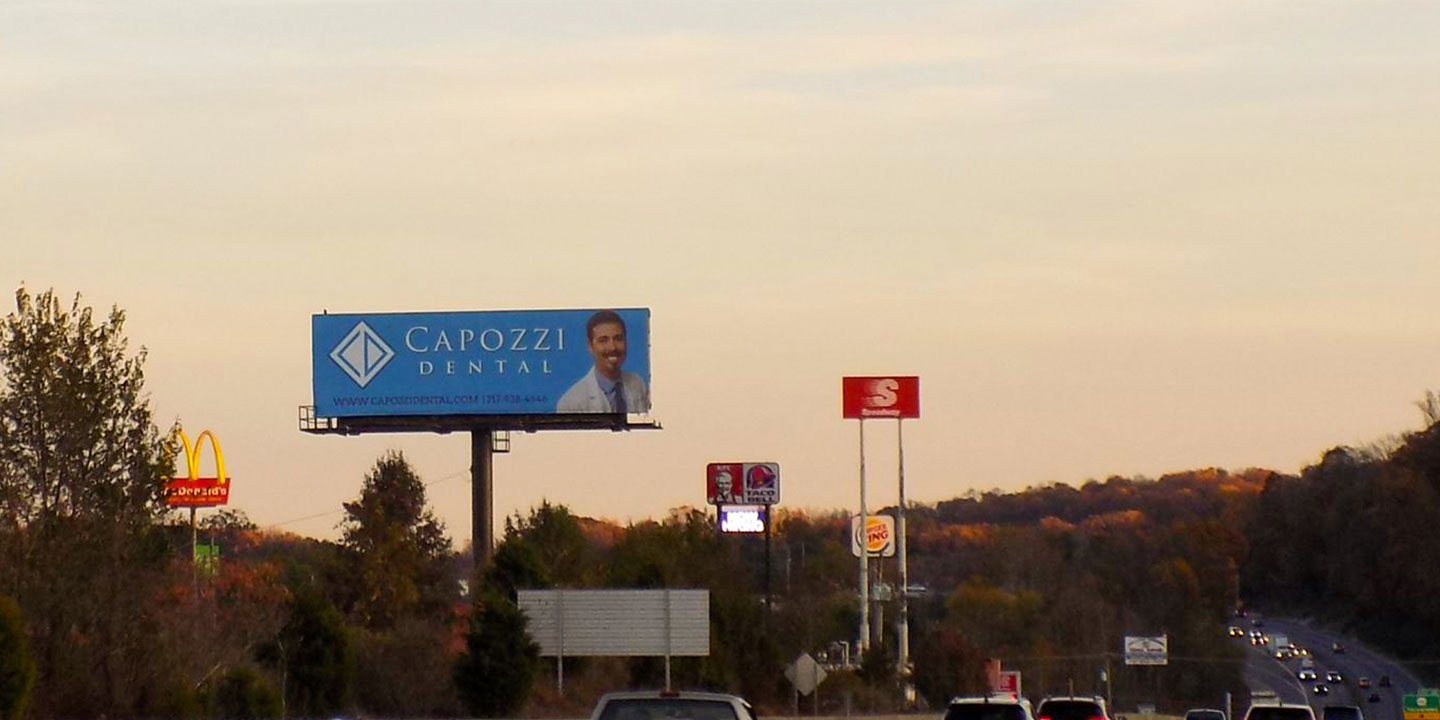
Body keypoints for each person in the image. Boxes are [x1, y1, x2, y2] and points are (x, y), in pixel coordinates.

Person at [556, 310, 650, 413]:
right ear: (590, 346)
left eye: (618, 339)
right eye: (603, 340)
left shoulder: (638, 384)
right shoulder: (571, 403)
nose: (612, 347)